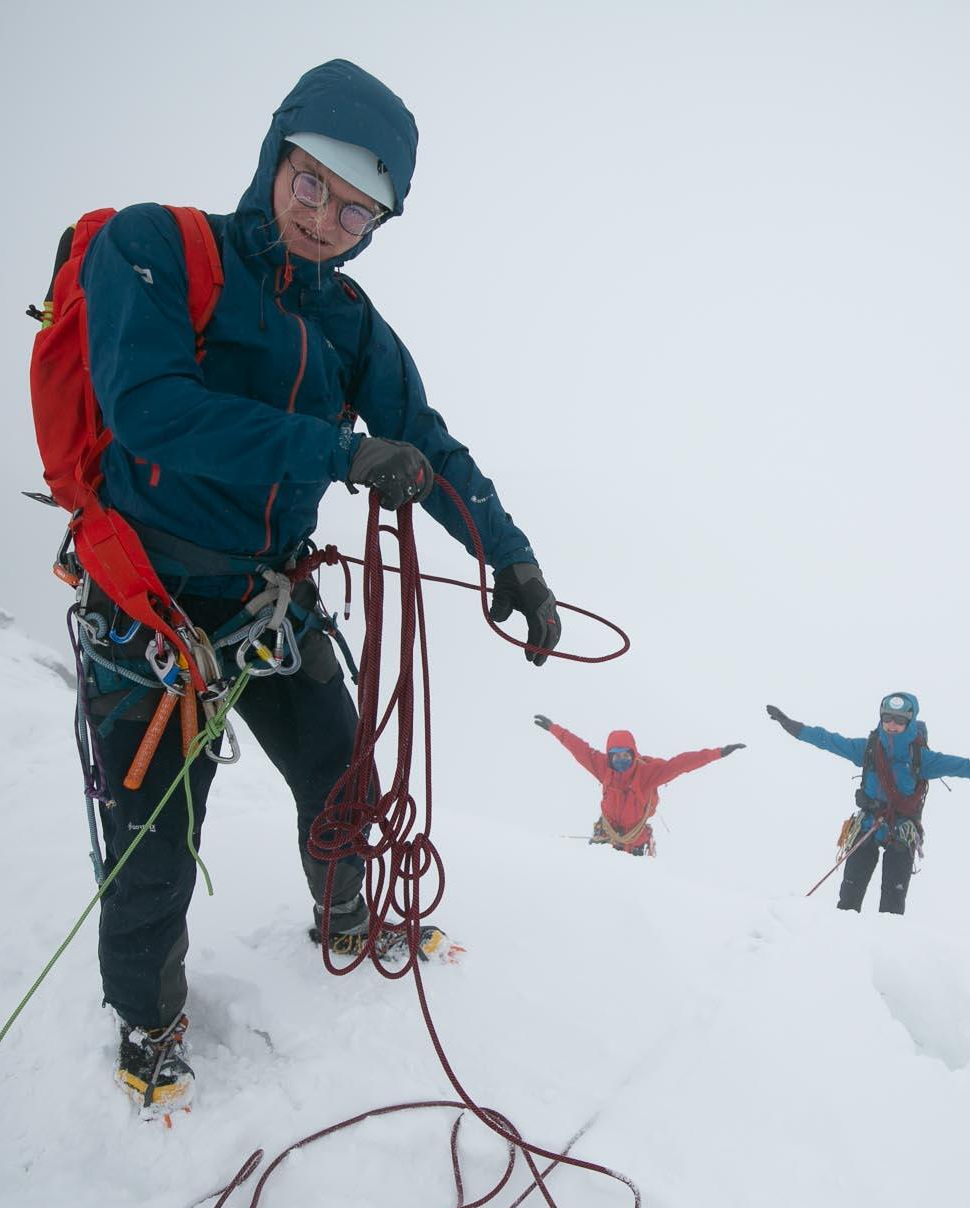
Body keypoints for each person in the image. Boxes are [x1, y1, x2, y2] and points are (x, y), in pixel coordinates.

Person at [66, 60, 562, 1114]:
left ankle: (346, 918)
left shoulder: (348, 322)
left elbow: (424, 441)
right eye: (310, 185)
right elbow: (151, 410)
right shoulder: (157, 248)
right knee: (156, 840)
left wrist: (510, 558)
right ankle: (148, 1022)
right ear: (275, 156)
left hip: (268, 603)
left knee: (342, 780)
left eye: (354, 210)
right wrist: (334, 452)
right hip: (151, 606)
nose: (324, 220)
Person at [766, 693, 970, 915]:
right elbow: (828, 740)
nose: (892, 724)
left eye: (899, 720)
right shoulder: (868, 748)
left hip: (902, 831)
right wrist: (792, 726)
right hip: (867, 825)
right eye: (887, 718)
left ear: (910, 722)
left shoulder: (922, 758)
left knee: (892, 906)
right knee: (848, 900)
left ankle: (886, 958)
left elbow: (968, 767)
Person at [533, 716, 743, 856]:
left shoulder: (647, 775)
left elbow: (681, 764)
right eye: (616, 757)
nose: (621, 761)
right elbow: (579, 748)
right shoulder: (602, 767)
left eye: (626, 756)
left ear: (633, 754)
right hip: (606, 835)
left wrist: (717, 753)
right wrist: (554, 729)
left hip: (635, 842)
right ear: (609, 757)